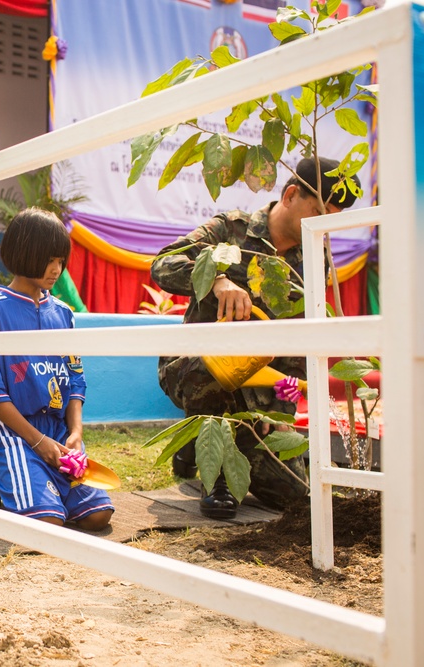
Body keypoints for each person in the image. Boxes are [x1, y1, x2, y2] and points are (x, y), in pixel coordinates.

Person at [151, 157, 359, 520]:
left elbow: (297, 342)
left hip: (257, 387)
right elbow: (163, 264)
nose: (323, 228)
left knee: (299, 499)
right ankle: (213, 469)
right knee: (210, 373)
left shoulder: (313, 259)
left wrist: (279, 416)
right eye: (318, 213)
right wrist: (215, 279)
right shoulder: (230, 230)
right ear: (291, 194)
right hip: (196, 367)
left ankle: (195, 444)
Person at [0, 208, 114, 530]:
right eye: (50, 260)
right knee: (47, 522)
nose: (56, 270)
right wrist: (36, 442)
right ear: (23, 254)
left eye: (61, 261)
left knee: (99, 516)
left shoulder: (63, 314)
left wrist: (75, 433)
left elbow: (75, 380)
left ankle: (35, 490)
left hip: (59, 431)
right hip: (15, 433)